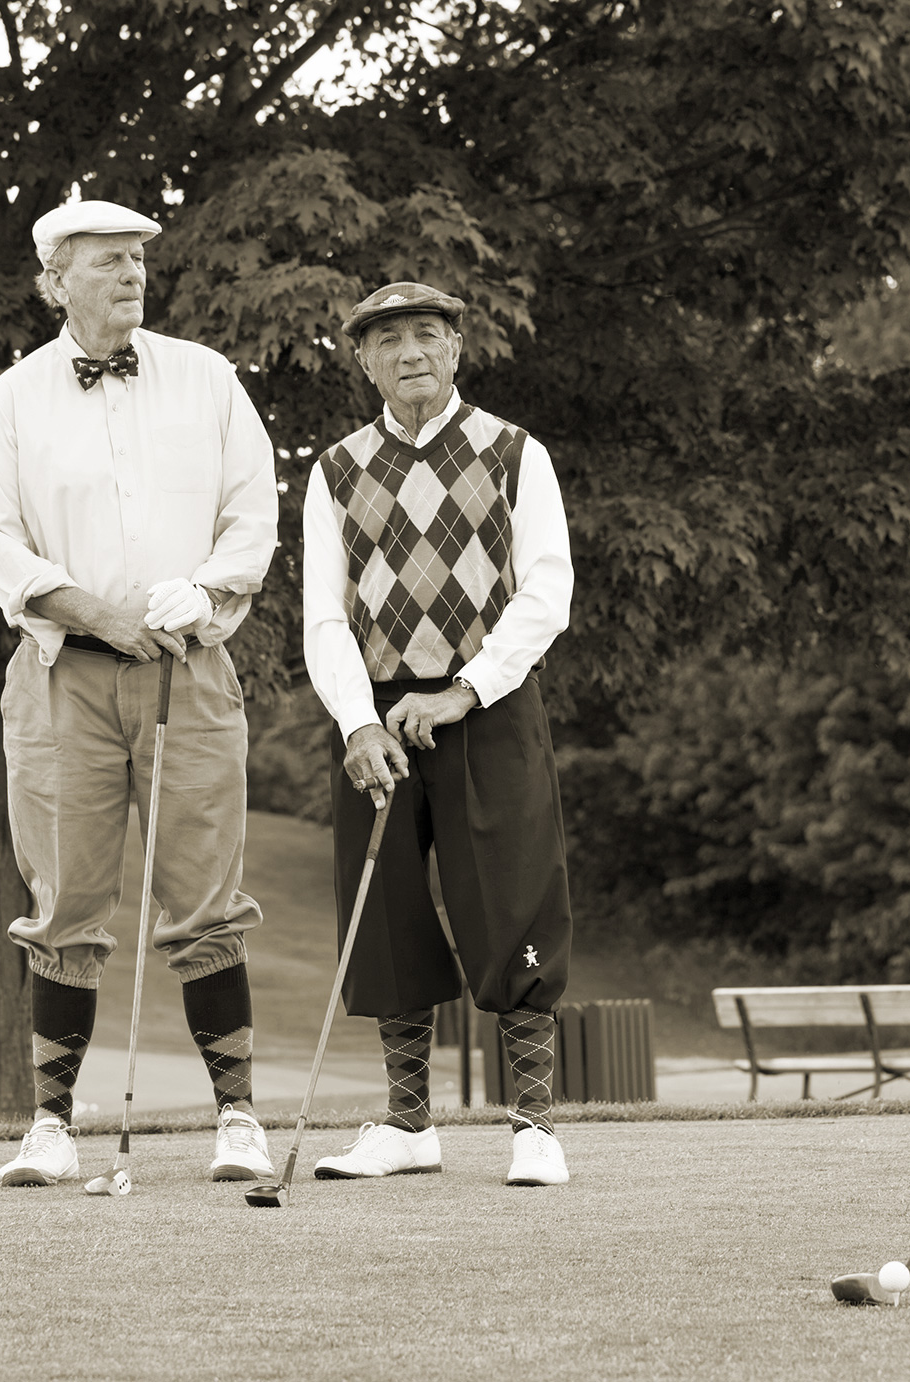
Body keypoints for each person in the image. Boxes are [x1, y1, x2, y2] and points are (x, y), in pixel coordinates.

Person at [0, 199, 280, 1187]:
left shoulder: (208, 378)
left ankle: (238, 1117)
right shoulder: (12, 399)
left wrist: (208, 590)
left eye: (138, 259)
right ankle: (51, 1126)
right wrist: (100, 614)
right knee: (64, 898)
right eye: (107, 261)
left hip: (190, 668)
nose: (132, 274)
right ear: (55, 281)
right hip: (63, 676)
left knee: (206, 895)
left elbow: (252, 515)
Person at [302, 281, 575, 1187]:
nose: (410, 352)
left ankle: (534, 1127)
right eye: (388, 340)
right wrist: (356, 722)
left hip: (489, 701)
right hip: (374, 714)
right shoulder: (335, 469)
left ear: (456, 348)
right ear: (363, 361)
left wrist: (465, 690)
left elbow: (546, 591)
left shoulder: (514, 452)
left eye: (427, 334)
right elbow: (324, 616)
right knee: (385, 910)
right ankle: (408, 1126)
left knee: (514, 896)